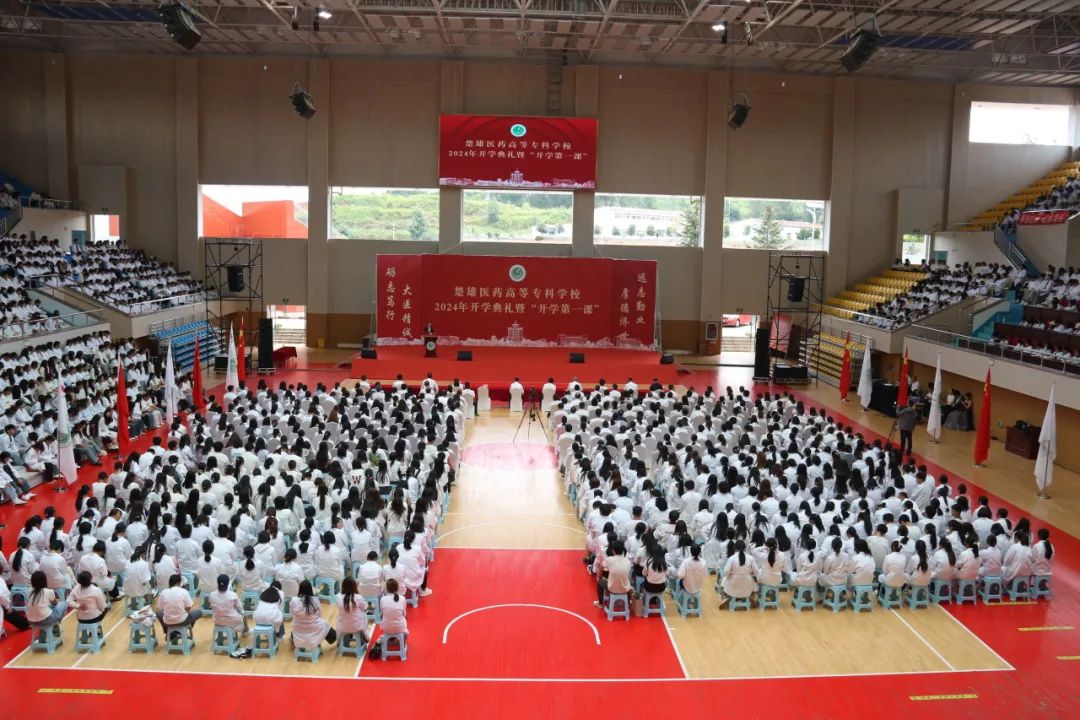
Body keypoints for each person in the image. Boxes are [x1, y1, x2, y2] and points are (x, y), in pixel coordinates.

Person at [290, 580, 336, 650]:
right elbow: (319, 614)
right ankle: (335, 639)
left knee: (295, 628)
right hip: (314, 629)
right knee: (325, 624)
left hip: (299, 629)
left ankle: (295, 640)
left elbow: (292, 613)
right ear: (310, 590)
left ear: (300, 589)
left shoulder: (294, 600)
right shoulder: (315, 600)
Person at [156, 573, 202, 639]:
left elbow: (160, 608)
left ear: (169, 583)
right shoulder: (184, 591)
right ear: (179, 582)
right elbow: (189, 607)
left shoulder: (163, 592)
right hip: (182, 620)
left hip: (167, 622)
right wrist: (183, 612)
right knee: (199, 612)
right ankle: (183, 631)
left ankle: (168, 632)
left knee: (159, 613)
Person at [593, 540, 632, 608]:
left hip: (612, 589)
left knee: (599, 582)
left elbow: (601, 567)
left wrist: (599, 577)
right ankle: (628, 603)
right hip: (625, 589)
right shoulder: (628, 561)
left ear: (613, 551)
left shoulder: (610, 560)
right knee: (628, 583)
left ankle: (600, 603)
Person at [209, 573, 248, 637]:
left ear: (217, 583)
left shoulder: (212, 595)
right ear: (228, 584)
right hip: (232, 620)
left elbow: (212, 607)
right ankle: (244, 632)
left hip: (217, 620)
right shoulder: (233, 595)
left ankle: (224, 633)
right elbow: (240, 608)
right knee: (244, 615)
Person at [335, 577, 369, 648]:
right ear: (354, 586)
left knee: (342, 616)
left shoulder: (338, 597)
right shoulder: (358, 597)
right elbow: (365, 607)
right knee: (364, 615)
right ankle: (363, 639)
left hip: (343, 626)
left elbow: (339, 608)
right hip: (357, 626)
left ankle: (345, 643)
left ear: (343, 586)